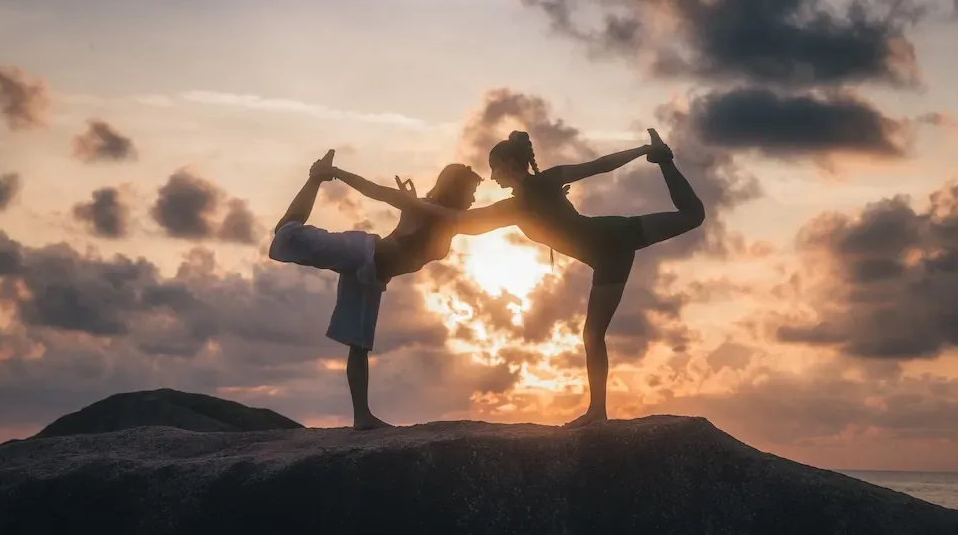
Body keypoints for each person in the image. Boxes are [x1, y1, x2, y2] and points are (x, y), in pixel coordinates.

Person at [452, 128, 706, 428]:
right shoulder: (529, 196)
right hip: (613, 247)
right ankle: (597, 410)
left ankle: (597, 411)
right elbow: (468, 224)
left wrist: (641, 151)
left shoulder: (531, 193)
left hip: (612, 239)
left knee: (592, 335)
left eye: (494, 168)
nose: (493, 176)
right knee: (593, 334)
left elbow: (599, 165)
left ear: (508, 163)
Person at [269, 150, 483, 430]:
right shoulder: (421, 206)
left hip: (371, 277)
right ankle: (316, 177)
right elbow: (375, 192)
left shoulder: (447, 218)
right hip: (362, 253)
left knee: (359, 344)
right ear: (457, 189)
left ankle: (362, 417)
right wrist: (336, 173)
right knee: (287, 235)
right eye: (472, 191)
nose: (474, 198)